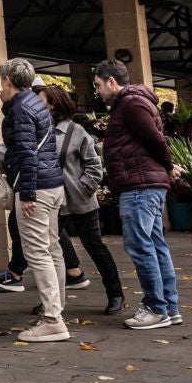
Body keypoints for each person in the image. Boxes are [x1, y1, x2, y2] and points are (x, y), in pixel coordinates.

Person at [0, 58, 66, 343]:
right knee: (51, 249)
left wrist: (27, 193)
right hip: (53, 184)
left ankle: (53, 319)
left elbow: (28, 153)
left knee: (38, 253)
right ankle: (54, 311)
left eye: (1, 80)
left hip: (36, 188)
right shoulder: (37, 104)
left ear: (7, 81)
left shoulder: (19, 110)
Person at [95, 59, 183, 328]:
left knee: (141, 246)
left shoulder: (131, 103)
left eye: (98, 85)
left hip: (139, 186)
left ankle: (156, 308)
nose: (97, 91)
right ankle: (168, 306)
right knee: (155, 245)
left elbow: (155, 138)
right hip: (144, 183)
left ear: (112, 81)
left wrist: (168, 166)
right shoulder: (133, 102)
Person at [45, 84, 123, 314]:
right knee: (49, 251)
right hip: (52, 201)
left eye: (43, 102)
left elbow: (95, 166)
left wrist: (82, 188)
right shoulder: (40, 130)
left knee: (94, 246)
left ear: (54, 106)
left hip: (79, 201)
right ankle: (52, 300)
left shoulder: (76, 131)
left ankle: (116, 294)